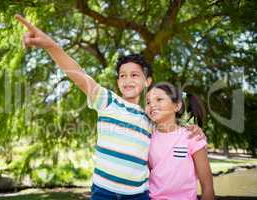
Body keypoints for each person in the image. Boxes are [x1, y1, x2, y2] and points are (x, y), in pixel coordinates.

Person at [14, 14, 206, 199]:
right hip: (103, 192)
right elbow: (77, 74)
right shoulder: (107, 101)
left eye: (134, 75)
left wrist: (192, 128)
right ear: (117, 81)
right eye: (122, 75)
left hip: (137, 195)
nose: (127, 79)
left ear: (147, 81)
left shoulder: (149, 118)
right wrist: (51, 45)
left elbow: (169, 131)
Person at [145, 82, 214, 200]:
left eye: (159, 99)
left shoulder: (192, 137)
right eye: (148, 102)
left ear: (176, 106)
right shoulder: (147, 139)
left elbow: (208, 188)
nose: (152, 105)